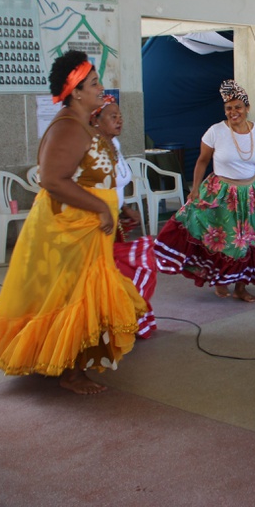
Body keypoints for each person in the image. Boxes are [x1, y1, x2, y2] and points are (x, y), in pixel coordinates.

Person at [0, 51, 147, 394]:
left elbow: (91, 177)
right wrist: (101, 207)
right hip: (68, 229)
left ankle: (67, 362)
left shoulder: (83, 123)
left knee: (78, 294)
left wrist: (119, 208)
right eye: (93, 83)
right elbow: (52, 179)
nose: (101, 87)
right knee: (71, 295)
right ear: (76, 92)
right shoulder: (67, 127)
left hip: (88, 227)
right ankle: (70, 372)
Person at [154, 80, 255, 303]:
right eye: (228, 108)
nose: (233, 112)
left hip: (251, 195)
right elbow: (202, 161)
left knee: (248, 242)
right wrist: (195, 189)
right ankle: (221, 280)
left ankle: (241, 287)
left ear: (247, 108)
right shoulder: (215, 132)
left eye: (238, 107)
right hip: (221, 195)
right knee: (225, 242)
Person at [91, 94, 158, 338]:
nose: (119, 120)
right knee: (111, 275)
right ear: (96, 120)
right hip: (96, 225)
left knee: (126, 271)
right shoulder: (91, 147)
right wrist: (104, 213)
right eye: (113, 116)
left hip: (113, 221)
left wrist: (124, 208)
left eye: (120, 116)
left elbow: (116, 184)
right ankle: (107, 324)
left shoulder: (114, 144)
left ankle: (124, 320)